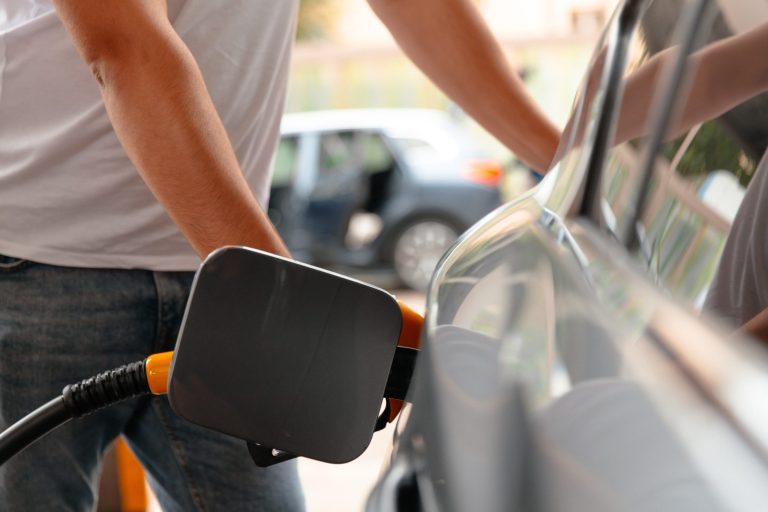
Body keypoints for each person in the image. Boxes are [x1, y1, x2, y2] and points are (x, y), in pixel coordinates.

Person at [0, 0, 562, 510]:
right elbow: (126, 47)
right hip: (37, 263)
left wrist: (566, 159)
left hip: (217, 275)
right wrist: (299, 310)